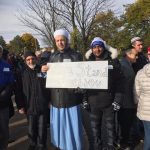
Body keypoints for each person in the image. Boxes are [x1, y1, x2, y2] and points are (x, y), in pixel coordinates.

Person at [41, 29, 84, 150]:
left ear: (67, 41)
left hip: (71, 100)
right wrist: (44, 72)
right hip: (56, 99)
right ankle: (60, 146)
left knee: (72, 128)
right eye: (58, 40)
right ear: (55, 42)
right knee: (59, 128)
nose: (60, 43)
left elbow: (82, 77)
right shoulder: (52, 56)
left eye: (62, 40)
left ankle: (73, 147)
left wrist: (79, 89)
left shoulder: (76, 55)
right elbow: (48, 79)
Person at [83, 37, 124, 150]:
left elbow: (120, 82)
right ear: (92, 49)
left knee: (111, 130)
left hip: (109, 103)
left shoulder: (112, 61)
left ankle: (111, 147)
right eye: (95, 47)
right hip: (93, 103)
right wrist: (85, 99)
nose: (97, 49)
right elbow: (84, 83)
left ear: (103, 47)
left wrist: (117, 100)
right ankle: (98, 147)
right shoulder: (88, 63)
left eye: (99, 46)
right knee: (95, 130)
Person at [20, 51, 50, 150]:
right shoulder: (22, 73)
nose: (30, 61)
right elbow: (19, 90)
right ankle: (33, 144)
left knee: (42, 129)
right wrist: (20, 105)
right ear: (25, 61)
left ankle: (42, 145)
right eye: (28, 59)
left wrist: (50, 101)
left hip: (42, 106)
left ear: (36, 59)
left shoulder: (42, 70)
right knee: (31, 129)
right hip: (30, 107)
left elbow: (49, 87)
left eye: (32, 58)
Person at [118, 48, 137, 149]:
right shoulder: (124, 66)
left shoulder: (127, 65)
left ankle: (123, 141)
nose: (136, 57)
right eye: (135, 55)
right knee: (125, 123)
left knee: (125, 123)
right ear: (128, 55)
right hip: (125, 101)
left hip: (126, 100)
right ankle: (123, 143)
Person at [0, 45, 14, 150]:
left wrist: (4, 94)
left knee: (4, 129)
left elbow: (11, 82)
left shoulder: (6, 65)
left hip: (3, 103)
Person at [134, 63, 150, 150]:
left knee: (148, 134)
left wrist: (136, 103)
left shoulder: (140, 73)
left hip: (145, 109)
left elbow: (136, 91)